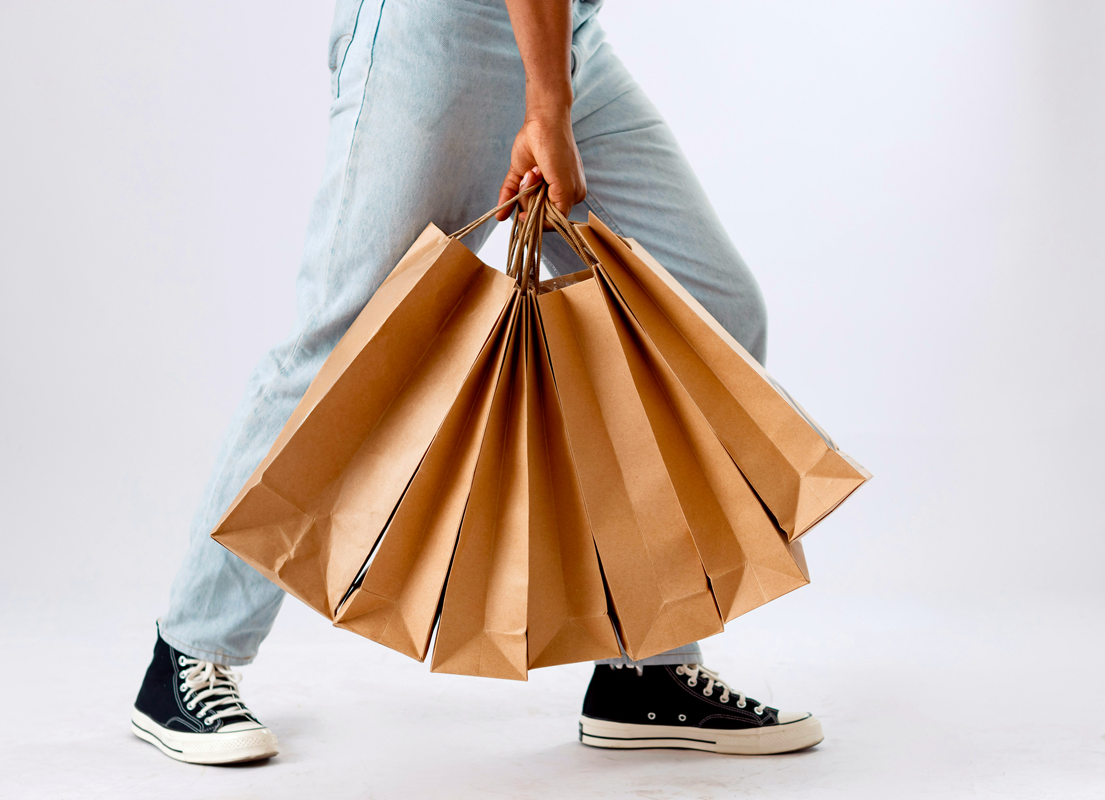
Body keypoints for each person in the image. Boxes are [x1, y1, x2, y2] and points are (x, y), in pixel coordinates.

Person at [130, 0, 823, 765]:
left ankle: (646, 668)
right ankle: (187, 654)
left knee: (702, 311)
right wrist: (546, 105)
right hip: (441, 31)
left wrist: (552, 83)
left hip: (562, 33)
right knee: (353, 345)